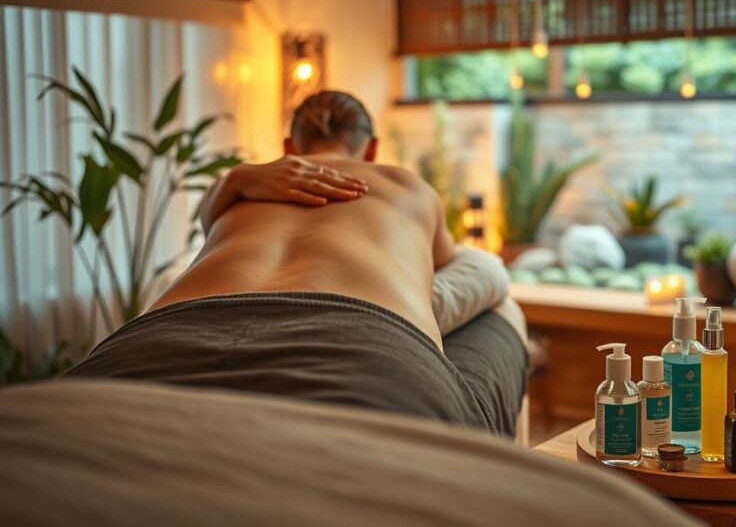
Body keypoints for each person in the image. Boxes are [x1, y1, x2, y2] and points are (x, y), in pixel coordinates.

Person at [66, 91, 527, 436]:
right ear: (371, 150)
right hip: (365, 343)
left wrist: (235, 180)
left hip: (162, 335)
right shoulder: (407, 186)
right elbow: (452, 265)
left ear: (289, 144)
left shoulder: (245, 187)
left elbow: (207, 227)